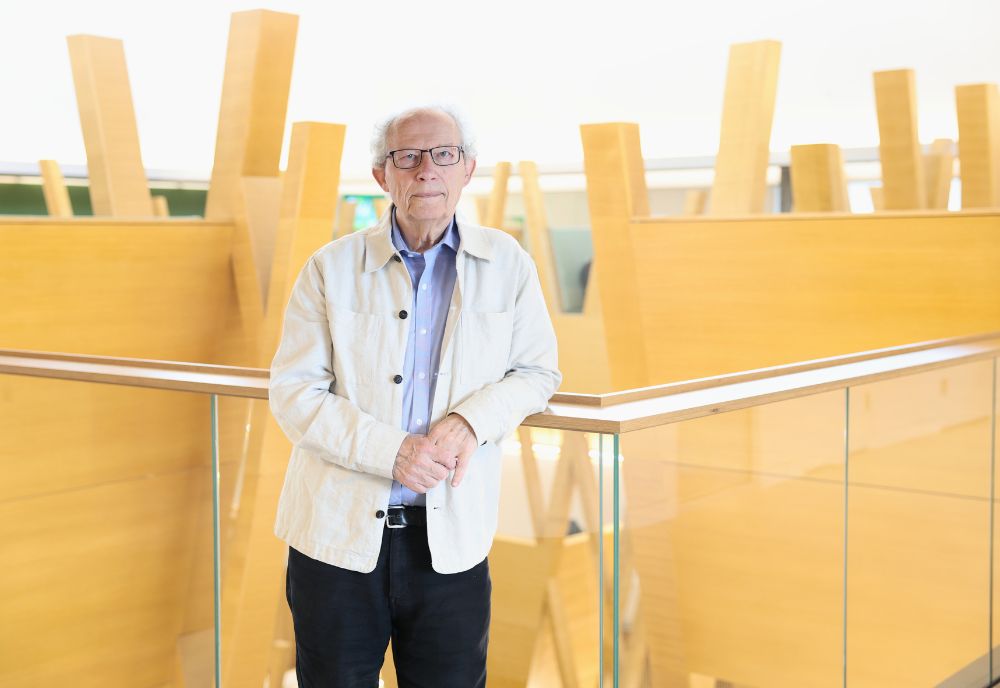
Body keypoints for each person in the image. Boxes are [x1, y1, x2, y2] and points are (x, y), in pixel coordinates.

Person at [268, 105, 561, 688]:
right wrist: (391, 451)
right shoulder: (330, 268)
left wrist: (470, 422)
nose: (427, 169)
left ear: (467, 169)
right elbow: (294, 392)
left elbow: (537, 372)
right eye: (408, 156)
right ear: (384, 176)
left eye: (443, 155)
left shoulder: (508, 264)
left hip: (450, 544)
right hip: (335, 542)